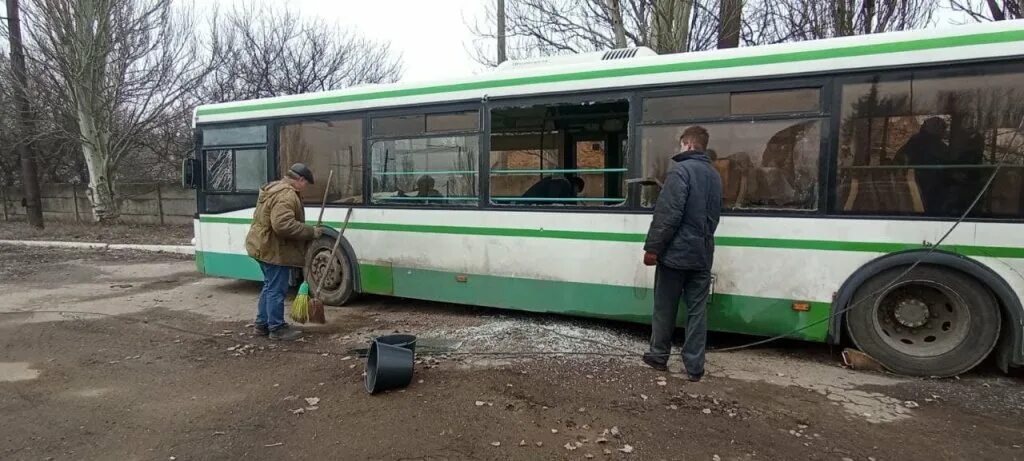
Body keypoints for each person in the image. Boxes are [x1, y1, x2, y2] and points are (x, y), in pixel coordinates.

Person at [641, 126, 723, 382]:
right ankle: (695, 367)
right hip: (702, 254)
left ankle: (658, 356)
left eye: (681, 145)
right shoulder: (714, 175)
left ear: (687, 145)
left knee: (665, 307)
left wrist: (653, 248)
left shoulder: (681, 172)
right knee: (697, 311)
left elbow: (667, 216)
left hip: (676, 255)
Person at [244, 163, 323, 341]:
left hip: (261, 245)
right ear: (300, 179)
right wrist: (310, 231)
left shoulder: (275, 187)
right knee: (276, 289)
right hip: (273, 249)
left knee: (269, 286)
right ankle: (276, 328)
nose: (305, 188)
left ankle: (262, 324)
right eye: (306, 184)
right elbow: (282, 225)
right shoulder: (286, 195)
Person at [896, 117, 950, 215]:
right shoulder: (920, 142)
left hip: (923, 184)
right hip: (922, 184)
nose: (944, 132)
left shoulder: (918, 141)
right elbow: (901, 159)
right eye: (942, 129)